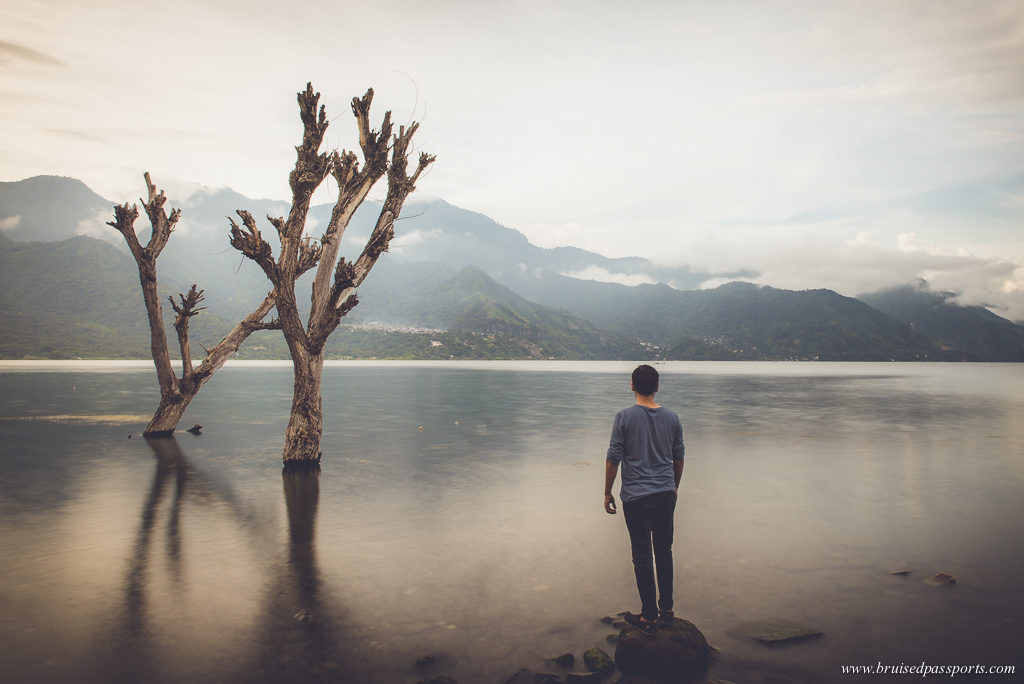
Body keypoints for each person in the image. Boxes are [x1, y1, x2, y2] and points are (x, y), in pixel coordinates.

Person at [604, 364, 685, 636]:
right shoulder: (672, 417)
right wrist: (674, 486)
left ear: (632, 385)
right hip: (665, 494)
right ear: (658, 386)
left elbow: (614, 457)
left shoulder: (624, 417)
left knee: (642, 555)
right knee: (664, 550)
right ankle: (668, 611)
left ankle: (649, 617)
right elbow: (679, 456)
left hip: (636, 497)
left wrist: (607, 492)